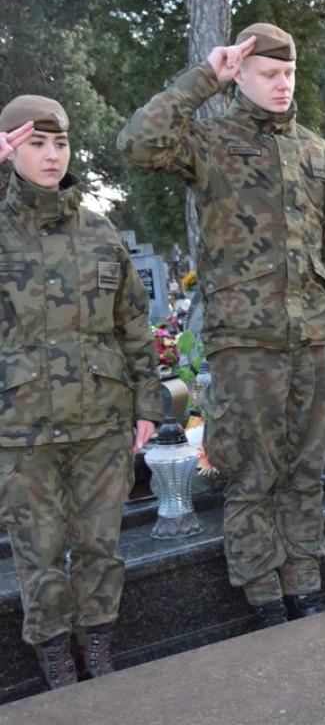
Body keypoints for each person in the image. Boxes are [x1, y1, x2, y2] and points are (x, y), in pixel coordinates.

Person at [118, 23, 325, 627]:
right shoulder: (210, 141)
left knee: (306, 469)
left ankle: (304, 585)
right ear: (241, 75)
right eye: (268, 74)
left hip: (309, 340)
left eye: (289, 74)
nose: (282, 85)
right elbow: (138, 144)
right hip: (245, 342)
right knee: (252, 473)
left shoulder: (317, 152)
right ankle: (263, 596)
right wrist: (204, 78)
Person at [0, 96, 163, 689]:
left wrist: (149, 403)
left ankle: (97, 652)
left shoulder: (99, 233)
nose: (50, 155)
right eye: (34, 143)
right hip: (21, 427)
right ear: (9, 149)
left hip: (100, 419)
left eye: (60, 143)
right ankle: (54, 668)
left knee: (102, 549)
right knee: (37, 555)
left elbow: (133, 325)